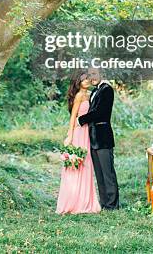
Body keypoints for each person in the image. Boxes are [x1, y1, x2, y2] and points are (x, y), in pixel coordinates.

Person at [56, 72, 101, 214]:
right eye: (83, 79)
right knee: (78, 164)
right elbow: (73, 117)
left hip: (87, 132)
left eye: (87, 78)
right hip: (78, 132)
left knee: (87, 164)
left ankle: (86, 200)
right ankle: (73, 201)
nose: (87, 81)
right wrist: (69, 135)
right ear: (78, 82)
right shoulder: (79, 96)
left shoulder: (90, 94)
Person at [77, 68, 119, 210]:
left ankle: (113, 204)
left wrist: (80, 120)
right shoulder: (95, 91)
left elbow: (99, 112)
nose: (92, 77)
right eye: (90, 75)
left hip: (103, 137)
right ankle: (105, 203)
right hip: (93, 138)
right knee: (99, 173)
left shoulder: (107, 89)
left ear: (102, 74)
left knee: (108, 173)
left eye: (95, 74)